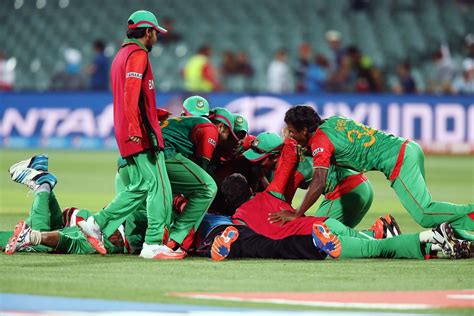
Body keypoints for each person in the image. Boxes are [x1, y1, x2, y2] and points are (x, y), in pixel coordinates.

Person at [270, 106, 474, 241]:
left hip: (397, 159)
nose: (291, 136)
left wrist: (297, 214)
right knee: (431, 210)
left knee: (425, 214)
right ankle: (465, 238)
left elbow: (319, 182)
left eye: (292, 131)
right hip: (408, 147)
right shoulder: (332, 122)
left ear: (305, 130)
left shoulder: (320, 142)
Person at [78, 10, 183, 260]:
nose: (156, 38)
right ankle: (153, 244)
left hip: (126, 131)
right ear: (147, 33)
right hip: (140, 133)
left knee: (140, 186)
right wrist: (138, 127)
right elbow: (132, 91)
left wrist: (151, 111)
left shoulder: (120, 56)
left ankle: (97, 224)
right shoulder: (139, 55)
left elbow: (129, 96)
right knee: (158, 186)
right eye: (155, 33)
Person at [201, 174, 471, 261]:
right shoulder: (271, 194)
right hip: (322, 224)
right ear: (252, 188)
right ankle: (437, 241)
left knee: (376, 250)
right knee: (371, 241)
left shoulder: (238, 220)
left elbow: (258, 241)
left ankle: (430, 237)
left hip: (313, 238)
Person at [4, 155, 146, 255]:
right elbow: (71, 243)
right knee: (39, 240)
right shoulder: (117, 240)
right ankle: (42, 184)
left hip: (87, 224)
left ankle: (43, 183)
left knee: (27, 239)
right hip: (93, 227)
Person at [243, 132, 374, 230]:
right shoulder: (292, 154)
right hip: (361, 185)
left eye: (260, 159)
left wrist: (261, 178)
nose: (257, 162)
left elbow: (279, 203)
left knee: (317, 235)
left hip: (347, 190)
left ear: (275, 156)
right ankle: (380, 233)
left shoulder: (294, 168)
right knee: (339, 237)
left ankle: (377, 234)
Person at [149, 106, 237, 251]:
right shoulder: (211, 129)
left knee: (148, 194)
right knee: (207, 188)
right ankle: (176, 240)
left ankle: (110, 231)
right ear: (221, 127)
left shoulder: (189, 124)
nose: (228, 140)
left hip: (144, 152)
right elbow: (202, 169)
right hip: (164, 152)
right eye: (229, 134)